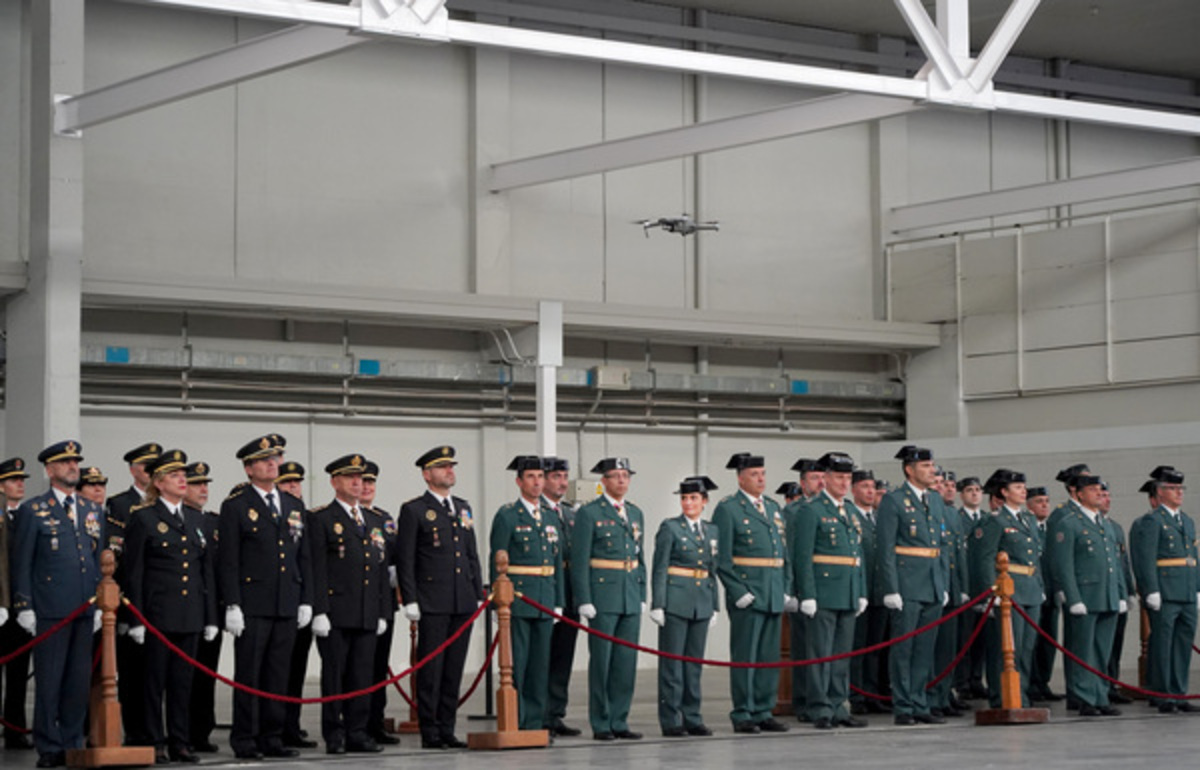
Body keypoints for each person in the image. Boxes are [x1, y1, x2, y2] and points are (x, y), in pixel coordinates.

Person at [218, 434, 314, 760]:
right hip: (253, 603)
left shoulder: (293, 505)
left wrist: (306, 599)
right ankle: (245, 738)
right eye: (264, 459)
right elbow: (229, 560)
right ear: (248, 469)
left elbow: (304, 557)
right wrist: (232, 604)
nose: (273, 463)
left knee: (278, 674)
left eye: (276, 458)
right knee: (250, 674)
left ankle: (272, 737)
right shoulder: (236, 506)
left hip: (286, 601)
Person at [12, 441, 103, 769]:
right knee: (49, 680)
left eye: (75, 462)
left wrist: (98, 604)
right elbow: (21, 560)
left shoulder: (91, 510)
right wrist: (24, 604)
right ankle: (49, 745)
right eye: (65, 463)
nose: (72, 467)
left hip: (84, 607)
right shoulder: (33, 510)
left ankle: (72, 742)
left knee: (77, 682)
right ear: (50, 470)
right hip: (50, 610)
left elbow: (97, 559)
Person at [123, 449, 217, 764]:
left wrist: (209, 616)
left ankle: (180, 741)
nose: (183, 480)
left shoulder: (195, 518)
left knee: (182, 683)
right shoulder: (144, 517)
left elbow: (204, 570)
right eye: (175, 476)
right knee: (153, 683)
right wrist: (135, 617)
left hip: (190, 613)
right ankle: (155, 740)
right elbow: (133, 571)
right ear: (160, 483)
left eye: (183, 476)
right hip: (157, 615)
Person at [396, 446, 483, 750]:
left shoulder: (462, 507)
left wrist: (477, 592)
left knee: (454, 668)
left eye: (451, 466)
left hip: (462, 600)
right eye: (442, 467)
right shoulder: (415, 509)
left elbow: (471, 554)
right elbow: (406, 559)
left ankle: (447, 727)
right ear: (427, 474)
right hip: (432, 600)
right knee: (431, 669)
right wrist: (410, 599)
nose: (449, 471)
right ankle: (429, 729)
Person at [308, 454, 390, 754]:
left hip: (367, 611)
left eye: (360, 477)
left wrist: (382, 610)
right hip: (336, 612)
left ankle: (358, 731)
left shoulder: (374, 520)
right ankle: (335, 734)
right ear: (334, 482)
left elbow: (379, 568)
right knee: (335, 676)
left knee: (362, 676)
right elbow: (315, 568)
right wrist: (319, 610)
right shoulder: (321, 518)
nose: (357, 482)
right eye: (349, 477)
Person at [712, 452, 792, 734]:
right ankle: (743, 711)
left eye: (763, 474)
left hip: (772, 590)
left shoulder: (771, 507)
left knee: (768, 657)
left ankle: (763, 709)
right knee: (746, 655)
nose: (761, 479)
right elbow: (722, 558)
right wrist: (737, 590)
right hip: (748, 592)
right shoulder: (729, 508)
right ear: (740, 477)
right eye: (755, 475)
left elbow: (784, 553)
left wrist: (786, 587)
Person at [572, 457, 646, 741]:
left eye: (625, 475)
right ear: (603, 481)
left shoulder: (635, 513)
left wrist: (641, 592)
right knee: (602, 662)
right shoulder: (590, 513)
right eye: (615, 476)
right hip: (602, 596)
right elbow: (580, 561)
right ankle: (601, 722)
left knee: (625, 662)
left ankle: (620, 719)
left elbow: (640, 557)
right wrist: (584, 599)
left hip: (628, 594)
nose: (621, 481)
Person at [793, 452, 867, 729]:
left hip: (847, 591)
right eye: (839, 477)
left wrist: (860, 591)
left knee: (841, 654)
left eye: (848, 478)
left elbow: (856, 554)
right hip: (823, 592)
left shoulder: (848, 510)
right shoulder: (811, 510)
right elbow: (803, 556)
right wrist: (807, 594)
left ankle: (838, 705)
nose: (844, 483)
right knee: (820, 653)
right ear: (825, 479)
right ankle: (819, 706)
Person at [490, 456, 564, 732]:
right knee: (517, 664)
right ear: (519, 482)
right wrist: (499, 600)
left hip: (544, 598)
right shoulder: (508, 515)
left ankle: (535, 722)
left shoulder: (549, 516)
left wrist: (558, 601)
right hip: (518, 599)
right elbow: (497, 559)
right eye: (531, 477)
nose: (537, 482)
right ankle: (516, 720)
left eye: (540, 477)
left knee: (539, 666)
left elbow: (556, 562)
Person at [876, 445, 947, 726]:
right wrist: (891, 588)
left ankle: (920, 701)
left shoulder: (936, 501)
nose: (933, 470)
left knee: (924, 649)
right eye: (926, 466)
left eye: (932, 465)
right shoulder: (894, 501)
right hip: (906, 584)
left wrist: (942, 583)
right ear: (910, 469)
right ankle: (903, 705)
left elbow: (941, 546)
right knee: (904, 648)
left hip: (931, 582)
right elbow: (886, 549)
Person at [1048, 474, 1124, 716]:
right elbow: (1064, 565)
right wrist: (1073, 597)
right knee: (1083, 650)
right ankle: (1083, 697)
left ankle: (1100, 695)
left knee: (1102, 650)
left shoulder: (1106, 524)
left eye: (1100, 490)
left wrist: (1120, 593)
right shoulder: (1069, 523)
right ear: (1080, 494)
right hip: (1085, 596)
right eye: (1093, 490)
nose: (1098, 494)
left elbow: (1115, 562)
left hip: (1107, 595)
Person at [651, 476, 719, 737]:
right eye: (684, 498)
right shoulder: (671, 528)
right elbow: (660, 568)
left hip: (701, 602)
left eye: (693, 498)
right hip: (676, 601)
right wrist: (659, 603)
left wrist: (714, 606)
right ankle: (671, 720)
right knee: (672, 666)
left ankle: (692, 717)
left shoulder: (712, 530)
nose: (688, 503)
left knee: (693, 665)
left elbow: (713, 569)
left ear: (704, 502)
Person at [971, 469, 1043, 709]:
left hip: (1030, 588)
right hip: (1008, 589)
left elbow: (1035, 557)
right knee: (1006, 649)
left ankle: (1020, 695)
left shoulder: (1028, 519)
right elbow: (985, 559)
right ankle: (1002, 697)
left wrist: (1039, 585)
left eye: (1023, 487)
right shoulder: (995, 520)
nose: (1023, 491)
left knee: (1025, 649)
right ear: (1004, 492)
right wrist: (991, 593)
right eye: (1017, 487)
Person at [1130, 465, 1199, 714]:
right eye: (1172, 488)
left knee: (1182, 643)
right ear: (1159, 493)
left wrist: (1198, 588)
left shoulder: (1187, 521)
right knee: (1162, 644)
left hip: (1187, 590)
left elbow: (1193, 556)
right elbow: (1145, 558)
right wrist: (1151, 589)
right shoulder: (1152, 521)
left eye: (1180, 488)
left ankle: (1179, 693)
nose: (1179, 492)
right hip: (1166, 591)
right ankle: (1162, 693)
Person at [106, 442, 161, 749]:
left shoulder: (162, 505)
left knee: (153, 674)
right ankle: (136, 730)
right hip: (129, 599)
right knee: (131, 671)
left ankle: (154, 731)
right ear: (132, 470)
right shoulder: (120, 504)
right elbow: (121, 559)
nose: (150, 473)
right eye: (145, 467)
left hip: (156, 601)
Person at [274, 460, 318, 749]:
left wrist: (311, 602)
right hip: (278, 601)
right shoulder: (277, 514)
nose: (293, 487)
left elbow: (311, 563)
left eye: (297, 482)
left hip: (300, 602)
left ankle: (292, 724)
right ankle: (276, 727)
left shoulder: (306, 515)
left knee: (297, 669)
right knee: (278, 669)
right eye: (287, 482)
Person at [360, 460, 402, 746]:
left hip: (382, 603)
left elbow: (396, 558)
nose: (366, 488)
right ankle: (353, 724)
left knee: (377, 667)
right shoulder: (340, 517)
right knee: (354, 669)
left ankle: (375, 723)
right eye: (362, 482)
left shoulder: (383, 519)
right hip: (354, 604)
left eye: (371, 483)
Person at [183, 462, 222, 753]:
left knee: (207, 674)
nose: (203, 489)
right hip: (185, 607)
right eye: (197, 484)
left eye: (205, 484)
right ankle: (180, 731)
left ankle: (201, 730)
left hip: (213, 608)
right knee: (182, 676)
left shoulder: (213, 522)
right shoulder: (179, 519)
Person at [541, 457, 582, 737]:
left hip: (568, 593)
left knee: (562, 657)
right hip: (543, 593)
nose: (563, 482)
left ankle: (555, 713)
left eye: (565, 476)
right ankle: (537, 714)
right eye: (556, 476)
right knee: (541, 657)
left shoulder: (570, 514)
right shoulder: (536, 511)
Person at [846, 469, 889, 715]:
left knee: (876, 647)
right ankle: (857, 695)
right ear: (854, 490)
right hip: (860, 592)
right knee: (858, 648)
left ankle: (872, 694)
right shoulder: (851, 515)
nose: (870, 491)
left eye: (872, 487)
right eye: (864, 486)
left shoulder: (879, 518)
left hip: (879, 591)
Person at [0, 456, 32, 749]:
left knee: (19, 673)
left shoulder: (28, 516)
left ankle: (15, 728)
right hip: (0, 606)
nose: (20, 484)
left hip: (21, 609)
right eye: (13, 480)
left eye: (22, 480)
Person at [1097, 482, 1135, 705]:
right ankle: (1099, 686)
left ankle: (1112, 683)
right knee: (1101, 645)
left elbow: (1123, 563)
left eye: (1108, 495)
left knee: (1116, 643)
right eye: (1102, 495)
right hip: (1101, 592)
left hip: (1118, 591)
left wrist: (1129, 591)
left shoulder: (1115, 527)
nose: (1107, 499)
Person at [1026, 485, 1063, 702]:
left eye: (1047, 501)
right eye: (1040, 501)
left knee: (1049, 639)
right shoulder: (1027, 527)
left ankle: (1043, 682)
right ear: (1029, 506)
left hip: (1050, 590)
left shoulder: (1051, 529)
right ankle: (1030, 682)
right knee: (1032, 640)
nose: (1045, 505)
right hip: (1033, 590)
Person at [954, 476, 989, 701]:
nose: (975, 494)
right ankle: (963, 681)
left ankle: (977, 678)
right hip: (965, 586)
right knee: (964, 638)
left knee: (983, 639)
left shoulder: (987, 520)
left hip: (983, 587)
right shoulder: (957, 519)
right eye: (969, 490)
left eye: (978, 490)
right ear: (962, 494)